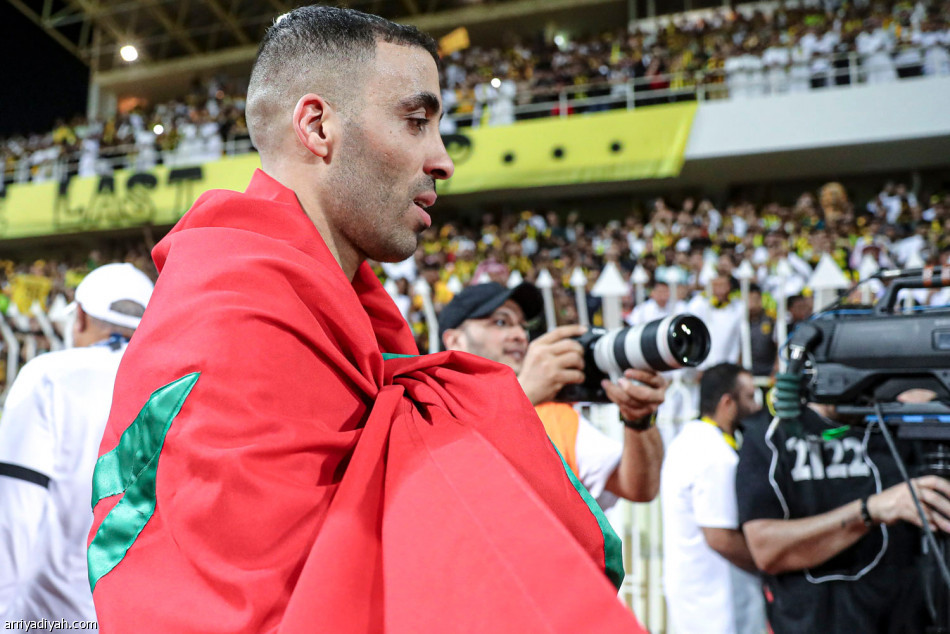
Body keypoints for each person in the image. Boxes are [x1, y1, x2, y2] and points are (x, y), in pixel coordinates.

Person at [87, 7, 646, 633]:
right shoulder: (233, 318)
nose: (442, 159)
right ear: (319, 126)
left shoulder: (337, 308)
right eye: (416, 121)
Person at [0, 263, 154, 625]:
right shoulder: (174, 387)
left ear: (80, 318)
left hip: (49, 618)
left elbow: (14, 510)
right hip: (139, 618)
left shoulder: (50, 376)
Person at [439, 282, 666, 509]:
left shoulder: (550, 412)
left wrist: (639, 421)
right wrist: (523, 395)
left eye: (523, 326)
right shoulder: (426, 410)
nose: (520, 335)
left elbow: (638, 487)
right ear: (455, 340)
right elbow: (442, 488)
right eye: (501, 322)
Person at [737, 400, 950, 633]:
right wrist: (870, 511)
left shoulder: (904, 423)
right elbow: (766, 550)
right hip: (813, 622)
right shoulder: (770, 435)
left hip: (906, 620)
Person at [661, 363, 766, 634]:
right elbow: (721, 538)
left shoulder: (690, 440)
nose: (757, 407)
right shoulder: (715, 455)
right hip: (720, 608)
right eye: (750, 397)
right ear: (727, 402)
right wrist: (774, 560)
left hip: (699, 599)